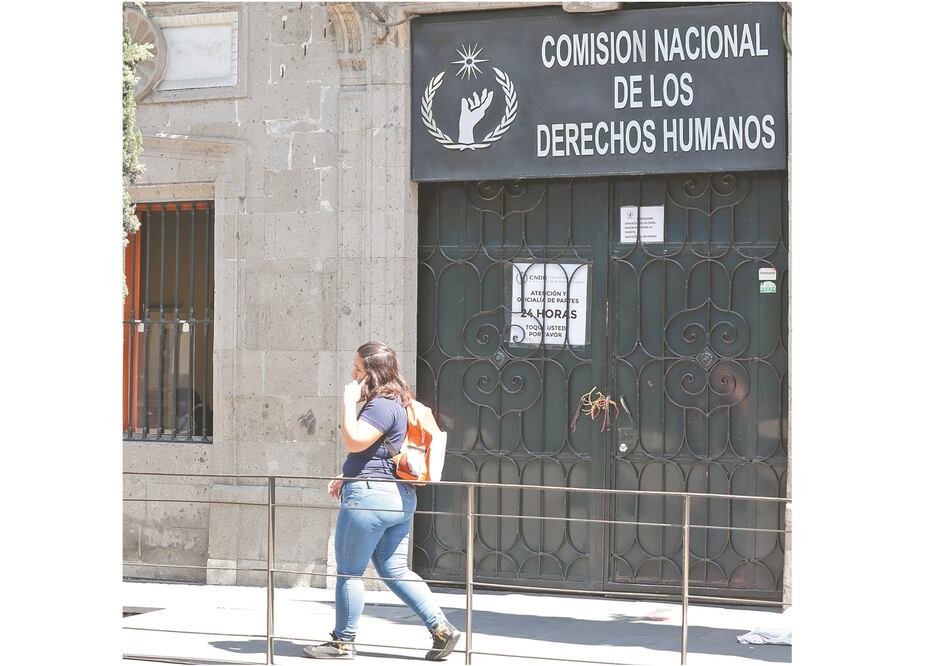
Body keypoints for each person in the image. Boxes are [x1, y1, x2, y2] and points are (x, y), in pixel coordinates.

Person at [304, 341, 461, 661]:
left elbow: (355, 440)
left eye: (358, 369)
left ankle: (342, 642)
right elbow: (378, 452)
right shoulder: (401, 402)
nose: (352, 374)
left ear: (372, 374)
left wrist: (348, 403)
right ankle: (442, 629)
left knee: (349, 572)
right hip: (399, 499)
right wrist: (346, 473)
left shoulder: (380, 404)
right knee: (394, 569)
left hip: (370, 499)